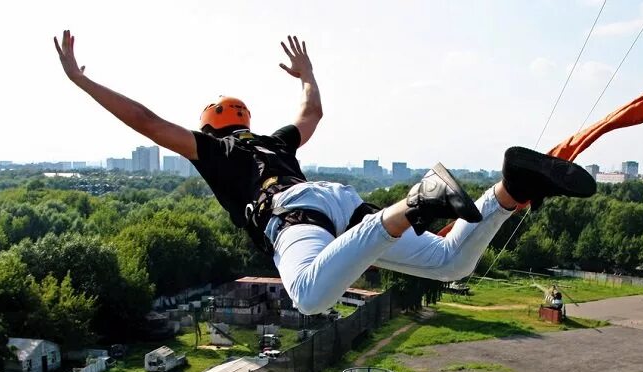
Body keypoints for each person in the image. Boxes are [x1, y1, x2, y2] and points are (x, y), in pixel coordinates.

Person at [54, 31, 596, 315]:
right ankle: (511, 188)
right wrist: (308, 76)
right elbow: (311, 115)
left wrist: (83, 82)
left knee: (311, 296)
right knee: (452, 264)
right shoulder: (272, 141)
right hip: (336, 202)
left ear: (209, 129)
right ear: (245, 121)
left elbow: (148, 122)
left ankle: (415, 203)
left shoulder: (214, 150)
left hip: (297, 218)